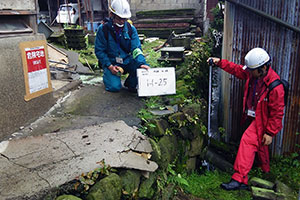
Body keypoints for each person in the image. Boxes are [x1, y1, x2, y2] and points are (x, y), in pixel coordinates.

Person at [208, 47, 285, 190]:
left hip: (263, 121)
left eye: (251, 70)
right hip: (253, 115)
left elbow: (277, 113)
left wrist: (270, 133)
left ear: (262, 68)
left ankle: (239, 179)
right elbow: (237, 70)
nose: (248, 72)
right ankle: (265, 171)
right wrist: (220, 63)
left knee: (247, 142)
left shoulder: (275, 87)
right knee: (259, 144)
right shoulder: (253, 73)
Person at [95, 0, 149, 92]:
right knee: (114, 87)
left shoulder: (131, 29)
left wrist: (142, 63)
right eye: (120, 18)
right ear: (112, 15)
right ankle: (108, 75)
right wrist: (109, 66)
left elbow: (136, 48)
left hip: (127, 60)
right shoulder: (103, 29)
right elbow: (99, 51)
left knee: (141, 68)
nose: (122, 21)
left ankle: (130, 83)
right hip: (112, 62)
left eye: (124, 19)